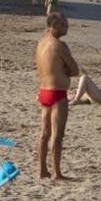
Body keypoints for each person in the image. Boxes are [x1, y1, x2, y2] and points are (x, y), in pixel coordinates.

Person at [35, 12, 80, 181]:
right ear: (53, 26)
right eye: (64, 25)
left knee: (44, 133)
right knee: (57, 134)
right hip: (57, 92)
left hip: (44, 91)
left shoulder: (41, 43)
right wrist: (65, 71)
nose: (67, 27)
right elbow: (75, 70)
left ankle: (42, 170)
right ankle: (57, 172)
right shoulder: (59, 45)